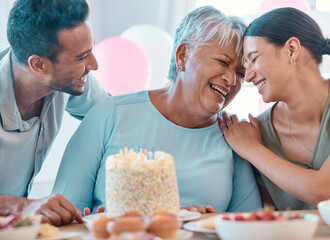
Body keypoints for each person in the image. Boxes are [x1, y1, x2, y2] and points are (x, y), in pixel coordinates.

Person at [52, 6, 261, 214]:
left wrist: (213, 223)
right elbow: (62, 217)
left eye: (241, 73)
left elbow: (250, 228)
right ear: (182, 56)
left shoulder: (234, 137)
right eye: (223, 62)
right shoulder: (110, 114)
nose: (231, 79)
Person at [219, 7, 330, 210]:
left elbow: (325, 190)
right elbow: (270, 219)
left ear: (292, 49)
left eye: (254, 58)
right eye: (245, 65)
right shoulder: (258, 132)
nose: (248, 76)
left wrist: (252, 149)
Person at [0, 0, 109, 225]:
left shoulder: (67, 80)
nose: (94, 64)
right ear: (38, 65)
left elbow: (116, 117)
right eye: (81, 57)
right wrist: (21, 205)